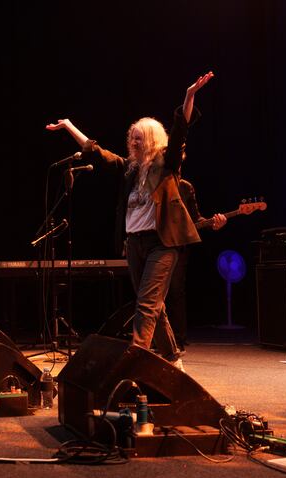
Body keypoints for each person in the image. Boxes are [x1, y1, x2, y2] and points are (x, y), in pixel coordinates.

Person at [46, 72, 214, 369]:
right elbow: (96, 151)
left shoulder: (167, 165)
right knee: (153, 306)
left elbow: (180, 131)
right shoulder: (128, 170)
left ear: (151, 141)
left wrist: (189, 96)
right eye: (132, 137)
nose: (134, 141)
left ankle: (134, 362)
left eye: (140, 138)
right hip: (134, 244)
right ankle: (173, 359)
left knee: (146, 306)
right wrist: (69, 126)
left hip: (161, 244)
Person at [166, 177, 226, 349]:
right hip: (153, 245)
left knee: (175, 292)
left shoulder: (185, 187)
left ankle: (178, 340)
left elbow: (196, 219)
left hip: (178, 247)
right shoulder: (152, 182)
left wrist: (212, 223)